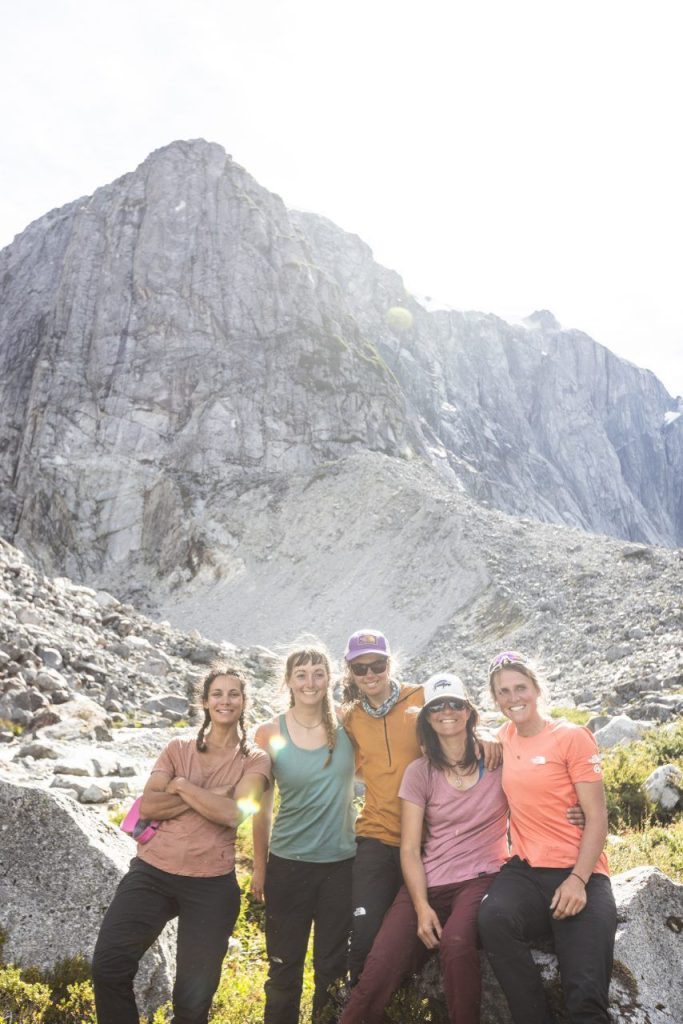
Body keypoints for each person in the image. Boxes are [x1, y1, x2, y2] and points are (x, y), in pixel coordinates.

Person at [92, 665, 270, 1024]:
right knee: (108, 968)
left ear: (244, 701)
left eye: (233, 693)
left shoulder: (256, 760)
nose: (225, 700)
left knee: (192, 1004)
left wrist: (183, 786)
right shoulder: (177, 748)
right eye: (217, 693)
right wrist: (213, 795)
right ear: (204, 701)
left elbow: (236, 815)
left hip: (211, 886)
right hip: (152, 873)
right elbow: (150, 805)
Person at [340, 672, 508, 1024]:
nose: (446, 712)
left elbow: (537, 791)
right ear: (427, 718)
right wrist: (421, 906)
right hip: (428, 882)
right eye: (436, 707)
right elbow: (410, 849)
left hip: (480, 878)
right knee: (379, 966)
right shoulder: (419, 772)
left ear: (468, 712)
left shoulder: (496, 761)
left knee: (457, 944)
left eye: (455, 704)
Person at [478, 651, 617, 1024]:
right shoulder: (501, 738)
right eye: (503, 692)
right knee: (492, 918)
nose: (513, 698)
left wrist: (578, 881)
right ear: (496, 699)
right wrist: (483, 734)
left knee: (585, 997)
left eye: (520, 687)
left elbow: (597, 817)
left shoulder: (571, 737)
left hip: (579, 871)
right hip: (525, 873)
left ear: (537, 689)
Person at [251, 644, 356, 1024]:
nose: (310, 682)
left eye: (318, 673)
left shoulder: (350, 724)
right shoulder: (269, 733)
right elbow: (260, 810)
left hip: (341, 866)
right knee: (283, 968)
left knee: (332, 968)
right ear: (289, 681)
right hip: (288, 865)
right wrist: (259, 869)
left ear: (329, 679)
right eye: (301, 674)